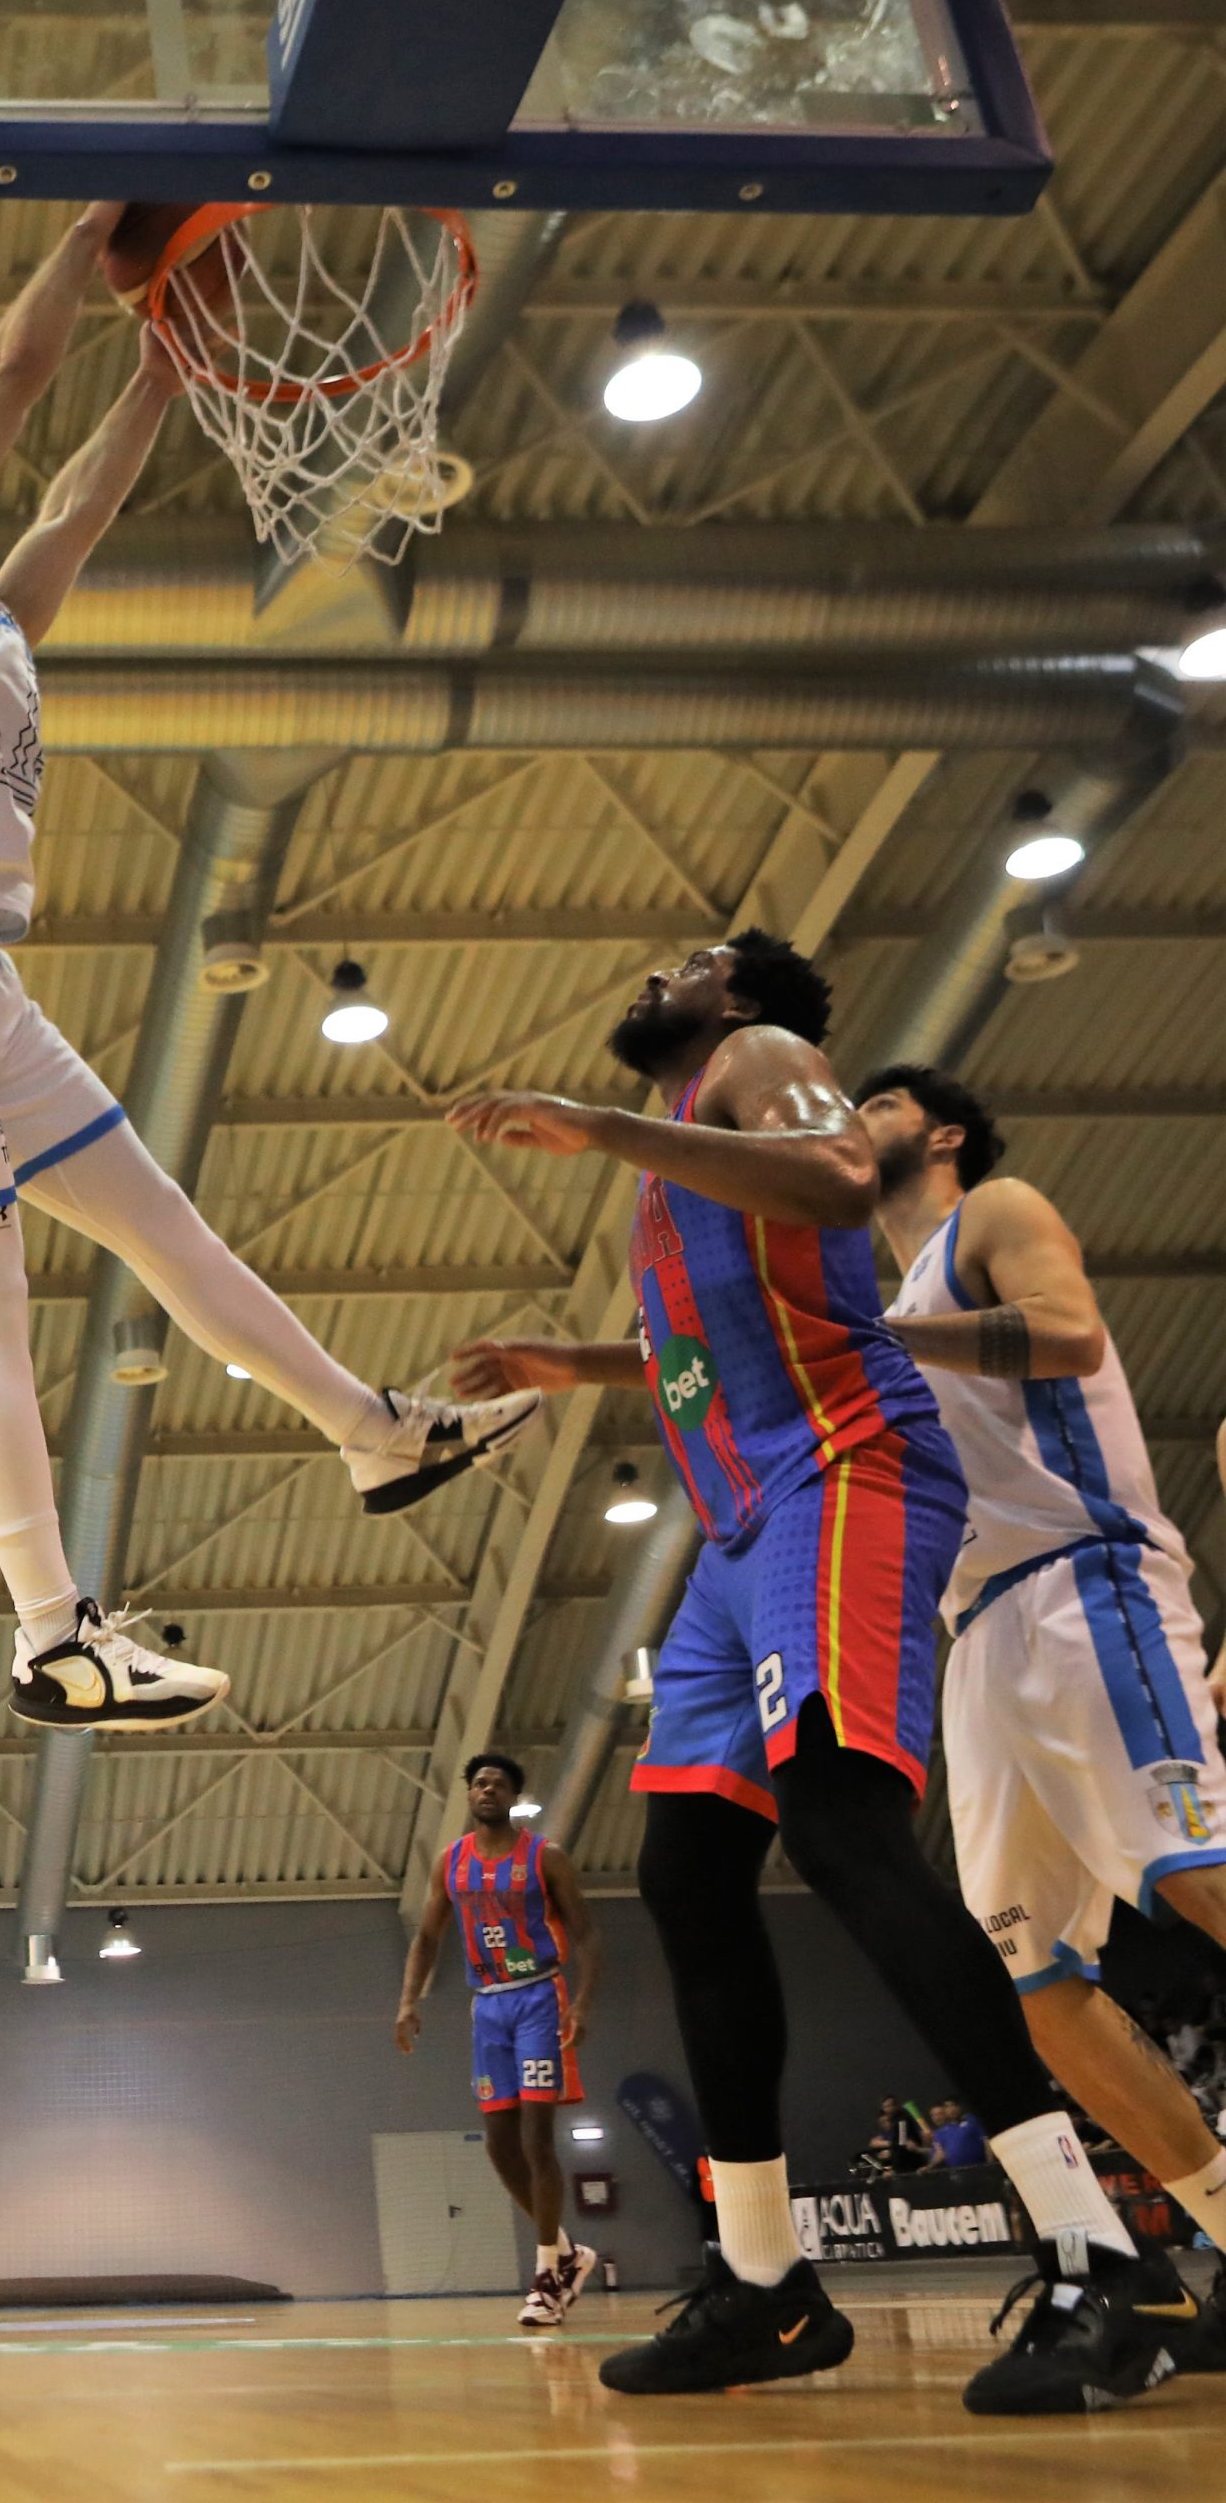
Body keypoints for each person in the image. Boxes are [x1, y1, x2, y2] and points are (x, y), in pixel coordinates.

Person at [0, 203, 540, 1734]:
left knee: (162, 1225)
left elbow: (74, 501)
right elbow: (5, 384)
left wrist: (164, 357)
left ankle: (370, 1430)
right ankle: (52, 1636)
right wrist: (86, 230)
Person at [445, 933, 1195, 2415]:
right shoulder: (680, 1165)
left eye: (690, 958)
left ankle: (1104, 2253)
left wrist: (597, 1124)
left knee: (842, 1827)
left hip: (844, 1471)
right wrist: (572, 1363)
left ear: (737, 996)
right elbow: (723, 1343)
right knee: (685, 1871)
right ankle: (767, 2282)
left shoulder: (762, 1061)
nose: (657, 971)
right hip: (736, 1525)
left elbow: (844, 1181)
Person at [859, 1061, 1226, 2365]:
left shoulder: (994, 1211)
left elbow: (1068, 1335)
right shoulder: (877, 1305)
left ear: (942, 1133)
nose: (850, 1123)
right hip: (977, 1635)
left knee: (1197, 1876)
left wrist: (883, 1340)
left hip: (1084, 1579)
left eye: (877, 1105)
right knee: (1039, 1976)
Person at [395, 1753, 601, 2330]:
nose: (488, 1789)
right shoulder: (450, 1862)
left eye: (499, 1784)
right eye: (480, 1782)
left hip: (539, 1997)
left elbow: (588, 1934)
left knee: (537, 2139)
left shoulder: (545, 1857)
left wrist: (583, 2002)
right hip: (488, 2006)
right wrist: (408, 2002)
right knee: (498, 2145)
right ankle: (567, 2252)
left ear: (513, 1798)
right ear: (468, 1795)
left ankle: (546, 2276)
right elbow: (427, 1937)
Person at [929, 2100, 989, 2169]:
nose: (951, 2109)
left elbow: (985, 2141)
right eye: (947, 2107)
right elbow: (940, 2153)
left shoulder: (970, 2120)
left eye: (953, 2105)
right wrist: (929, 2167)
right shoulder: (938, 2133)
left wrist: (990, 2163)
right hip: (956, 2171)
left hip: (980, 2167)